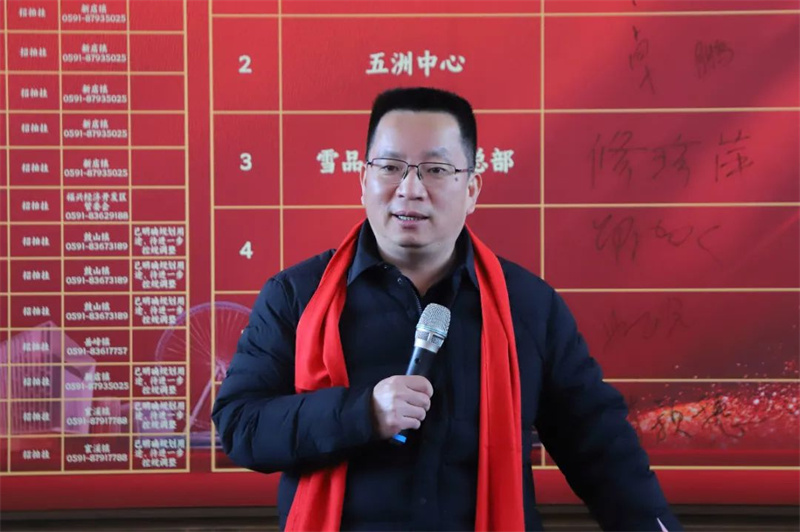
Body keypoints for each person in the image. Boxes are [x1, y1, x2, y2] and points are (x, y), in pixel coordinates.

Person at [212, 87, 682, 531]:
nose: (409, 189)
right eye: (390, 167)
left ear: (472, 189)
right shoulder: (296, 296)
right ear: (363, 180)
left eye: (435, 170)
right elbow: (241, 426)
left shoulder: (529, 306)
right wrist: (363, 412)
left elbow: (600, 448)